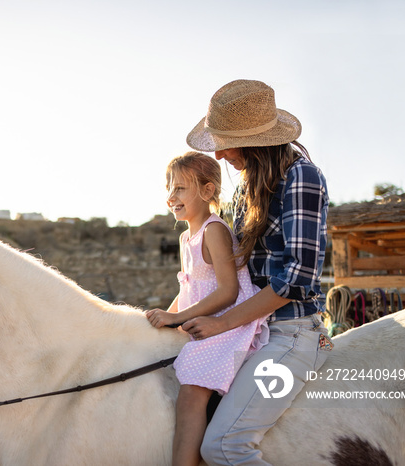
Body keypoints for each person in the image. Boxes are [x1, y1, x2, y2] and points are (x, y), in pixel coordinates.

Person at [185, 79, 333, 465]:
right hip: (251, 330)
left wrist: (219, 324)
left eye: (225, 142)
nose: (218, 156)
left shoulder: (303, 177)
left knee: (222, 446)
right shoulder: (244, 190)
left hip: (288, 331)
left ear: (254, 141)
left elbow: (298, 276)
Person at [145, 151, 269, 466]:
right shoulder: (187, 236)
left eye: (180, 189)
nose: (171, 197)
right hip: (202, 318)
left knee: (191, 394)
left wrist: (177, 317)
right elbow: (188, 289)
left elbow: (228, 291)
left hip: (227, 323)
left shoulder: (213, 230)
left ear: (208, 190)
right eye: (169, 189)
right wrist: (163, 318)